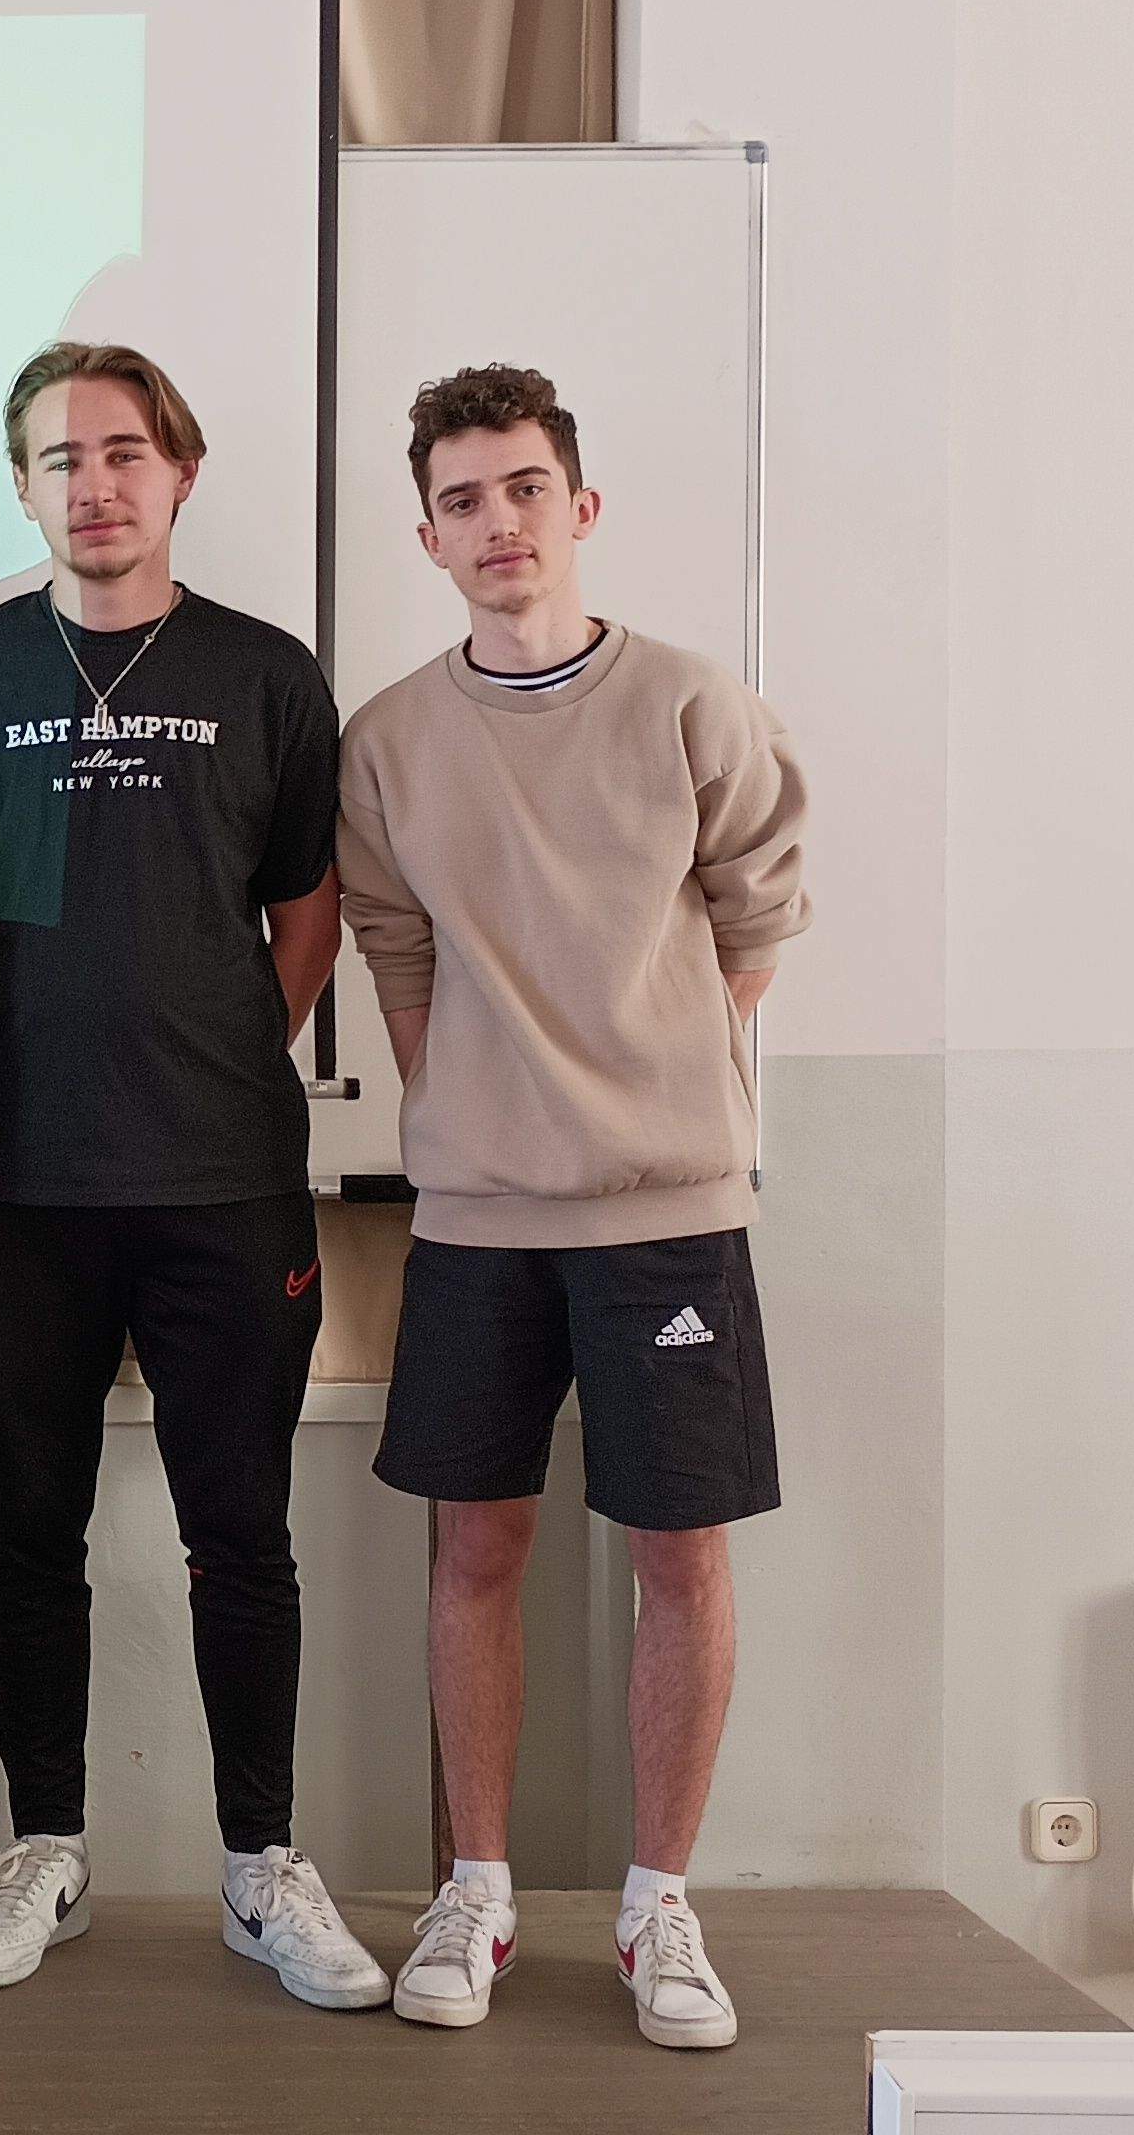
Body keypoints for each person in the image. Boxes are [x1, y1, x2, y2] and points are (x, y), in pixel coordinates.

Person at [334, 364, 809, 2051]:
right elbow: (391, 946)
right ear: (429, 532)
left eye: (525, 487)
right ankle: (477, 1885)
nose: (499, 523)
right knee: (478, 1542)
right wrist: (462, 1094)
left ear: (580, 507)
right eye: (464, 499)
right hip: (475, 1217)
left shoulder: (691, 702)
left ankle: (660, 1908)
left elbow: (760, 903)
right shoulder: (389, 736)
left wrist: (666, 1072)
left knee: (679, 1549)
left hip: (669, 1209)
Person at [0, 345, 378, 2009]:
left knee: (239, 1530)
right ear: (21, 487)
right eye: (58, 457)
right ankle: (48, 1847)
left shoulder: (267, 673)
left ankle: (262, 1864)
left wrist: (229, 1038)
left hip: (222, 1180)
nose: (93, 482)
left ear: (179, 472)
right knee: (26, 1532)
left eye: (122, 451)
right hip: (14, 1180)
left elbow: (306, 897)